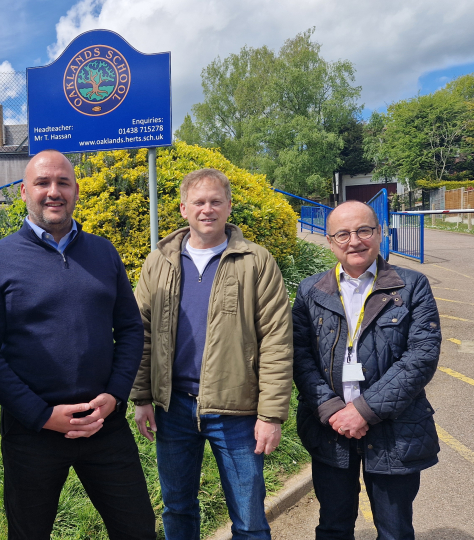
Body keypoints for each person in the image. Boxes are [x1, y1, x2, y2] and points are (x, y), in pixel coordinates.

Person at [0, 149, 156, 539]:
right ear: (23, 192)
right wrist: (40, 414)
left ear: (76, 191)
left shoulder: (103, 252)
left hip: (105, 425)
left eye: (62, 182)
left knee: (138, 530)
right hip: (32, 431)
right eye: (43, 183)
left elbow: (131, 329)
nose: (54, 192)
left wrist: (115, 395)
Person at [131, 168, 294, 540]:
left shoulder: (257, 261)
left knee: (249, 519)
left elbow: (276, 342)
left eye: (216, 201)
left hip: (237, 413)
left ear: (229, 206)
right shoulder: (159, 262)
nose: (208, 209)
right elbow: (139, 332)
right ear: (184, 208)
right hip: (173, 409)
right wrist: (141, 396)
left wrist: (271, 415)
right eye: (199, 202)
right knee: (177, 509)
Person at [292, 200, 441, 540]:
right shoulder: (311, 290)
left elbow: (422, 356)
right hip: (330, 429)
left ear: (379, 233)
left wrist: (363, 410)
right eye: (342, 234)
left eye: (363, 230)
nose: (354, 241)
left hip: (394, 429)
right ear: (330, 241)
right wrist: (333, 411)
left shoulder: (411, 286)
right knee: (332, 526)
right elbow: (299, 356)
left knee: (394, 529)